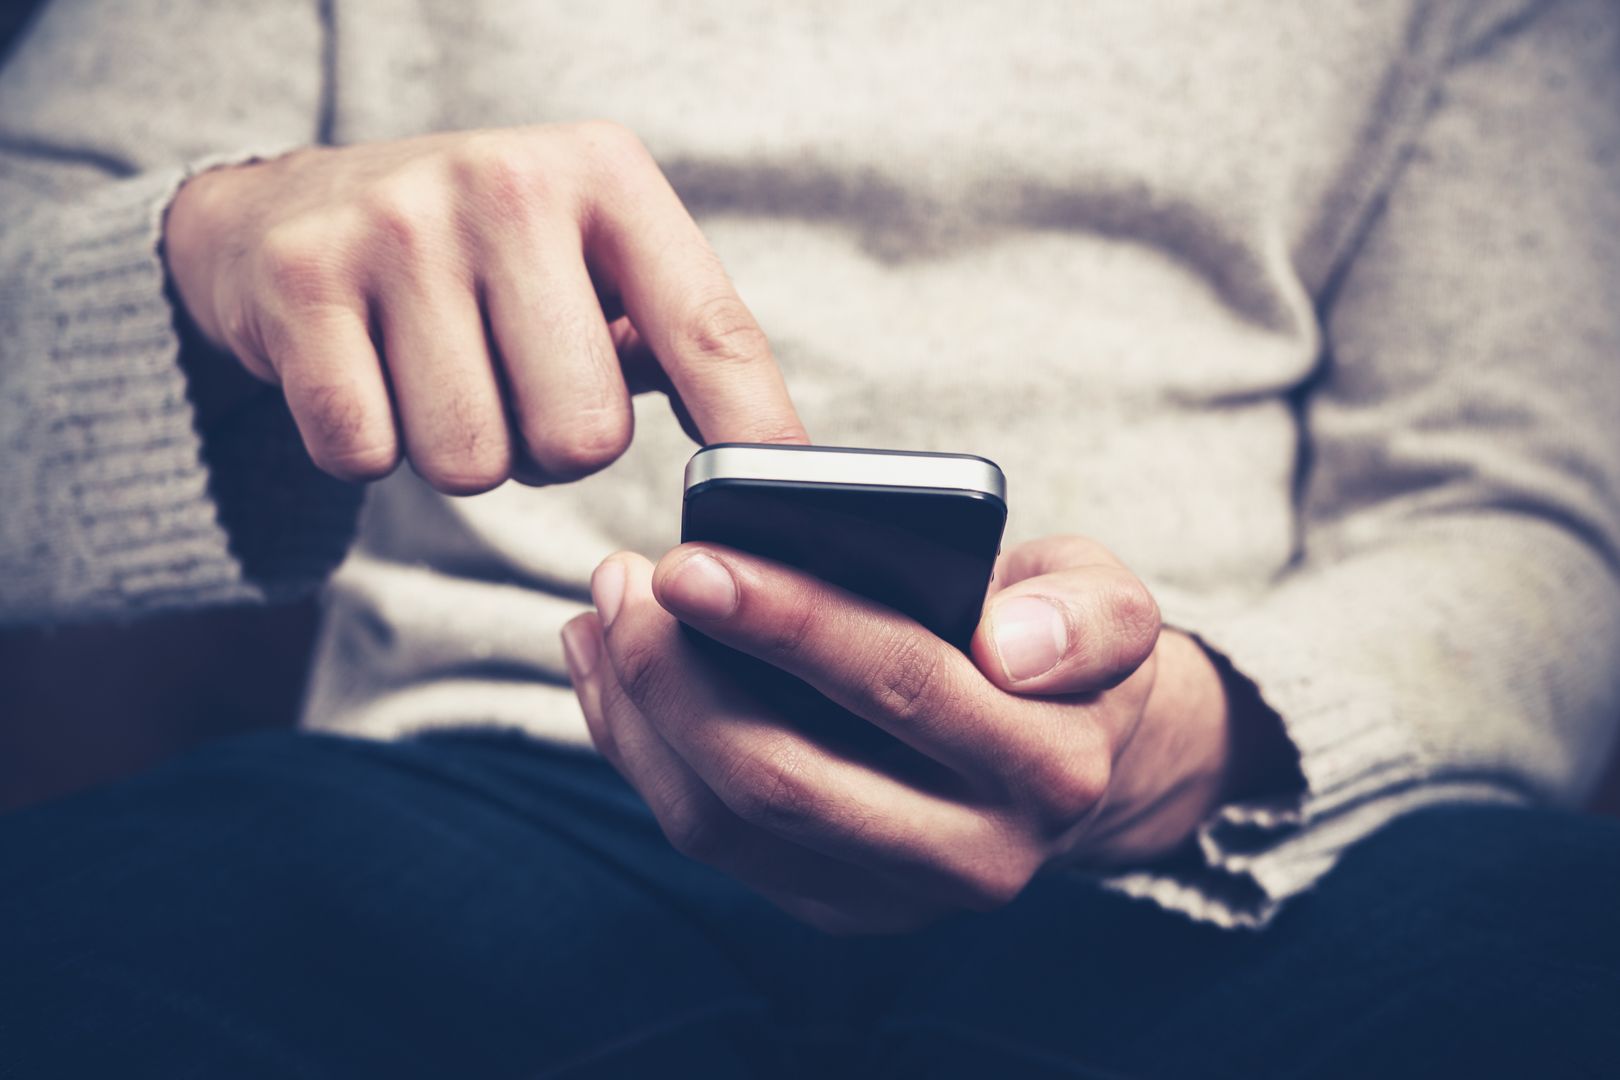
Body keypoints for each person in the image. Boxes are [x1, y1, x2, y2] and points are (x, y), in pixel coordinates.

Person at [2, 0, 1618, 1075]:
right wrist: (209, 241)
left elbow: (1517, 514)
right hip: (466, 764)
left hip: (1235, 834)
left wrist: (1195, 745)